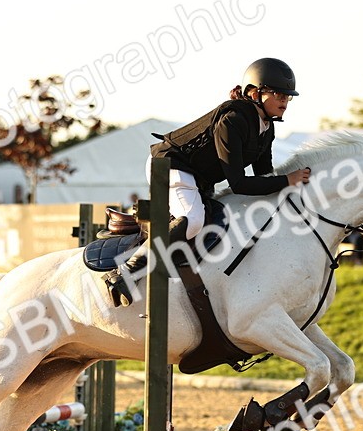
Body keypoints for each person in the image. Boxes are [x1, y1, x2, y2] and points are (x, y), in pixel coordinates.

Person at [104, 58, 311, 306]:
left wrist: (290, 187)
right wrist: (287, 180)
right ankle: (124, 272)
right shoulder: (233, 119)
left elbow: (264, 176)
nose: (284, 101)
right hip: (170, 165)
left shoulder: (266, 128)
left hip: (197, 178)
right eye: (278, 94)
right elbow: (239, 184)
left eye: (287, 97)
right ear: (254, 93)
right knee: (193, 220)